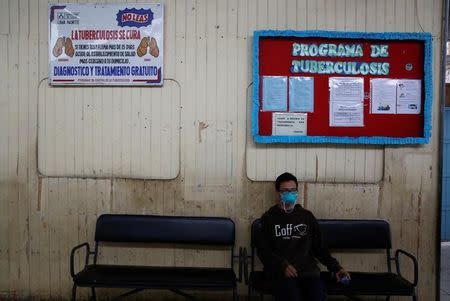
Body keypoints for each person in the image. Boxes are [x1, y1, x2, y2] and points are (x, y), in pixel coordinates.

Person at [256, 172, 350, 301]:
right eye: (285, 191)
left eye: (293, 190)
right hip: (282, 273)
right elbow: (263, 251)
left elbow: (320, 248)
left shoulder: (306, 217)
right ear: (277, 193)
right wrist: (282, 265)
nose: (290, 194)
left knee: (317, 296)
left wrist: (336, 268)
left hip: (308, 272)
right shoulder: (268, 219)